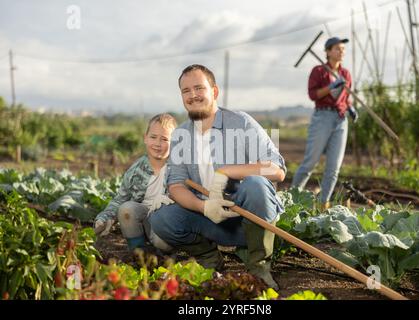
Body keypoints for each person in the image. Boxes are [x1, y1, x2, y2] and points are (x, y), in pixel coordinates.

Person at [144, 64, 286, 290]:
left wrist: (226, 172)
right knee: (161, 218)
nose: (192, 95)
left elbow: (276, 170)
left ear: (215, 92)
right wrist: (204, 207)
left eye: (199, 88)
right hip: (212, 221)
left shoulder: (241, 123)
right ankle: (209, 258)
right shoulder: (181, 134)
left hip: (250, 221)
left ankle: (259, 264)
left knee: (256, 184)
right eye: (186, 91)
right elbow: (176, 185)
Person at [94, 113, 177, 253]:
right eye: (153, 137)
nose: (157, 143)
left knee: (161, 242)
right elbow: (121, 198)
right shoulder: (136, 170)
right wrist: (104, 217)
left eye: (164, 139)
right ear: (145, 138)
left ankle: (167, 254)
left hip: (168, 221)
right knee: (126, 209)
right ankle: (139, 252)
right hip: (144, 219)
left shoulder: (179, 168)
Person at [291, 37, 358, 210]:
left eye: (343, 49)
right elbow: (313, 95)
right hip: (323, 117)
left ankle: (323, 205)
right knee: (310, 163)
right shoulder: (319, 71)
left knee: (333, 167)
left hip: (341, 119)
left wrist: (350, 108)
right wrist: (331, 86)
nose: (341, 51)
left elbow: (346, 99)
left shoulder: (346, 74)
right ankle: (290, 199)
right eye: (337, 48)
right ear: (327, 51)